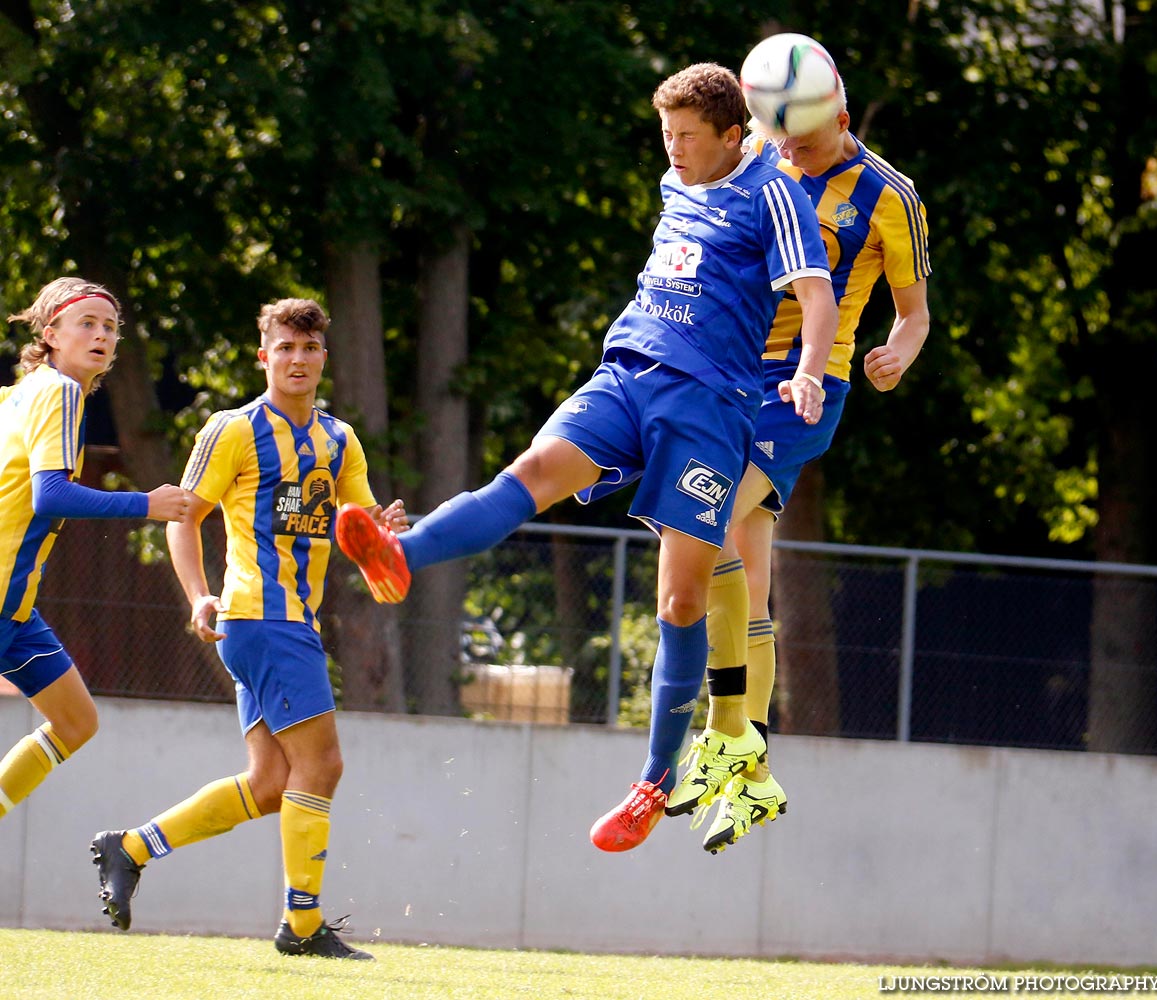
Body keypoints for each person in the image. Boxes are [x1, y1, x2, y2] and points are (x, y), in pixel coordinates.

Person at [332, 63, 838, 853]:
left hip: (708, 412)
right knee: (530, 471)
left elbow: (817, 296)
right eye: (665, 134)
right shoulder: (681, 179)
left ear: (733, 136)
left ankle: (653, 782)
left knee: (679, 602)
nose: (671, 149)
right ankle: (400, 552)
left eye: (687, 136)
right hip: (626, 375)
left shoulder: (773, 189)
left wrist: (807, 370)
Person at [90, 298, 408, 960]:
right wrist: (198, 597)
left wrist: (387, 528)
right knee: (322, 765)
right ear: (264, 357)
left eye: (308, 348)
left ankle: (131, 847)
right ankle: (302, 926)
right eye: (284, 348)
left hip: (289, 624)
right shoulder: (233, 429)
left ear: (324, 358)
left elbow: (363, 521)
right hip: (262, 618)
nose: (296, 359)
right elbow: (184, 514)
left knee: (270, 784)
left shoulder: (339, 440)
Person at [666, 65, 932, 853]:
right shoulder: (758, 159)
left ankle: (726, 735)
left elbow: (915, 316)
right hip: (731, 377)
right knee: (748, 571)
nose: (794, 152)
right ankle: (754, 775)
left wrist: (897, 352)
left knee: (703, 525)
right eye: (782, 135)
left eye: (807, 139)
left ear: (842, 115)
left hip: (806, 390)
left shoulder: (891, 195)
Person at [0, 277, 188, 824]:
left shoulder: (22, 391)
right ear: (52, 333)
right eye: (87, 323)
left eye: (110, 327)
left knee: (77, 722)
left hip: (15, 608)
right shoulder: (56, 391)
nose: (102, 334)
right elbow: (50, 493)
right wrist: (145, 505)